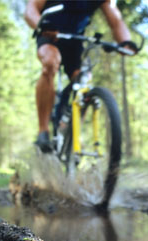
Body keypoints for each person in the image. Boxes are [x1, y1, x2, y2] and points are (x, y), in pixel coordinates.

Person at [24, 0, 137, 153]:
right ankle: (43, 131)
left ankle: (73, 131)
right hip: (49, 34)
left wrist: (125, 42)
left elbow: (116, 20)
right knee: (50, 63)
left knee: (84, 81)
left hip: (75, 41)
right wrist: (40, 25)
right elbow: (31, 8)